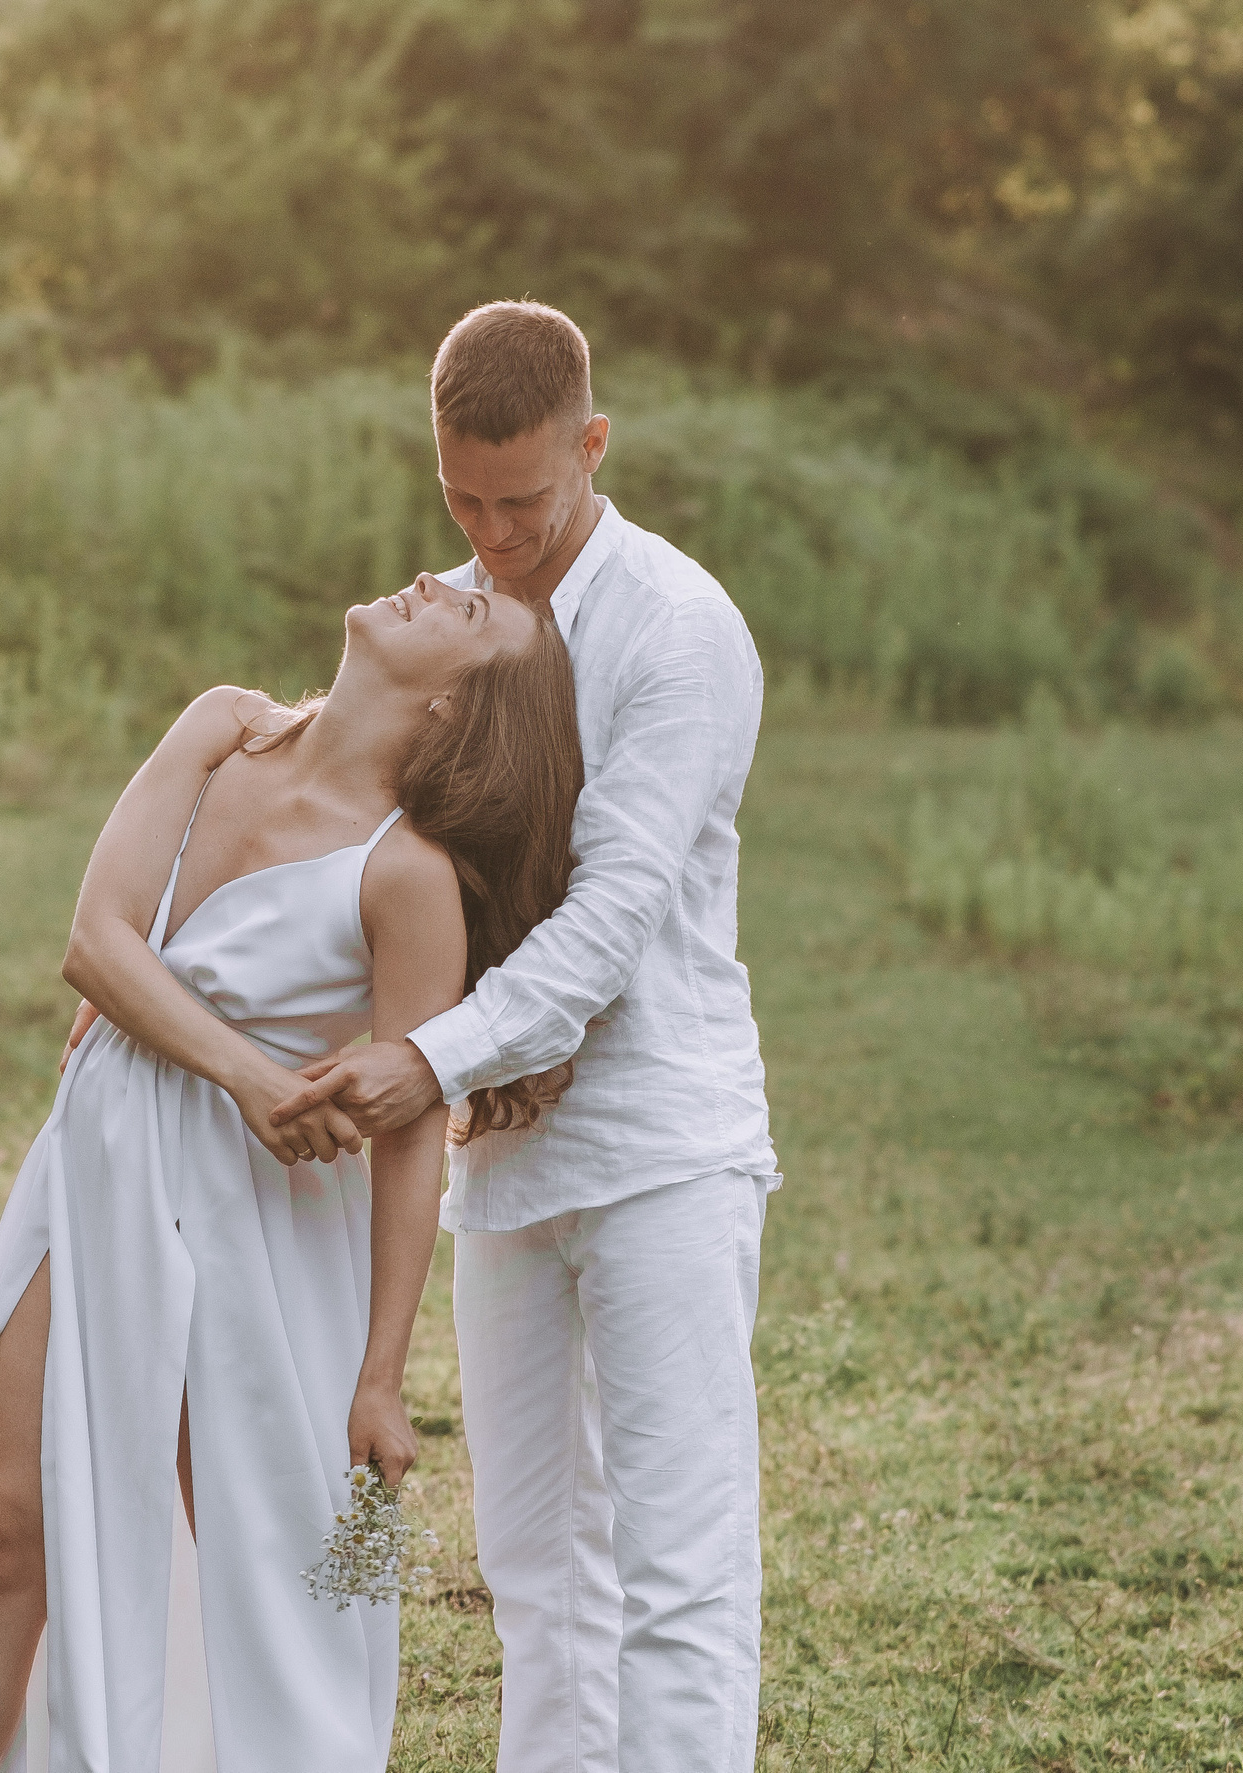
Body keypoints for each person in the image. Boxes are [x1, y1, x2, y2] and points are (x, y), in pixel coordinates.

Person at [0, 560, 584, 1772]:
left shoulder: (404, 875)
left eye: (469, 610)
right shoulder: (220, 729)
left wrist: (382, 1375)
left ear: (454, 709)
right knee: (8, 1527)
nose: (433, 575)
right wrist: (249, 1075)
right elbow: (95, 941)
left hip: (258, 1233)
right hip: (102, 1161)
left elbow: (412, 1134)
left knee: (261, 1583)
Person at [270, 301, 779, 1773]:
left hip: (660, 1147)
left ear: (594, 446)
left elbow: (614, 917)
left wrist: (427, 1059)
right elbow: (364, 842)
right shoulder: (452, 617)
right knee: (537, 1576)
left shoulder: (679, 629)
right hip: (504, 1160)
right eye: (463, 499)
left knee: (677, 1578)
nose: (491, 536)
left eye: (526, 500)